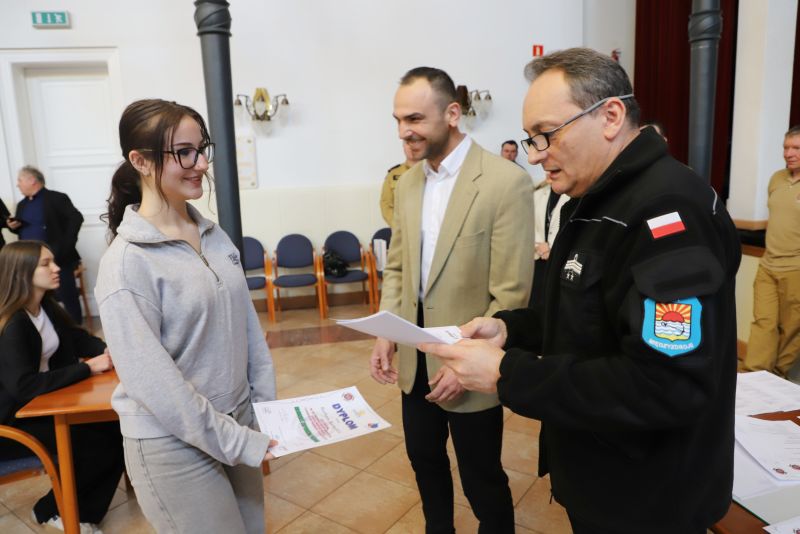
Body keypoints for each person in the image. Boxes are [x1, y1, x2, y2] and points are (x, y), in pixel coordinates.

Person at [421, 48, 741, 534]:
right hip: (600, 471)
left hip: (648, 497)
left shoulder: (668, 212)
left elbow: (666, 384)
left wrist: (507, 373)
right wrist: (509, 329)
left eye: (546, 134)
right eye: (530, 139)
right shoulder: (591, 200)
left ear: (609, 116)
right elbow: (583, 314)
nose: (534, 155)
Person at [94, 99, 277, 534]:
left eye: (202, 149)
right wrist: (235, 440)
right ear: (140, 161)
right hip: (173, 444)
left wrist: (265, 412)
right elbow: (155, 385)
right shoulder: (127, 264)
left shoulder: (213, 234)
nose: (202, 164)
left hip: (235, 419)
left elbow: (248, 330)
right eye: (184, 152)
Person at [371, 67, 534, 533]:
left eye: (415, 119)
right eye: (398, 120)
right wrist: (386, 331)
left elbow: (511, 292)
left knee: (482, 477)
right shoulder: (407, 183)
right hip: (415, 357)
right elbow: (398, 268)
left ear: (453, 113)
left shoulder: (505, 182)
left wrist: (467, 362)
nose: (404, 131)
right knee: (424, 461)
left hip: (473, 360)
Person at [0, 240, 122, 534]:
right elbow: (23, 386)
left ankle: (62, 508)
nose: (56, 268)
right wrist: (86, 368)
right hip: (14, 422)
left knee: (116, 429)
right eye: (46, 264)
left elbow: (76, 338)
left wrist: (106, 350)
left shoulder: (44, 306)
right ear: (21, 272)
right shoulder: (14, 324)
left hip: (42, 405)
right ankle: (57, 511)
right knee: (99, 442)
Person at [743, 125, 800, 376]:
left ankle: (777, 376)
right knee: (763, 322)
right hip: (768, 264)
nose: (789, 153)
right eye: (786, 147)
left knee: (792, 328)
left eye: (796, 148)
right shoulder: (777, 178)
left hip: (796, 268)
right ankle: (754, 374)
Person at [7, 167, 85, 324]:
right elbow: (25, 228)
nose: (17, 184)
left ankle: (77, 330)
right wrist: (13, 227)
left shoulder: (57, 198)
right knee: (37, 300)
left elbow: (76, 219)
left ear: (32, 180)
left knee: (68, 298)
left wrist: (66, 247)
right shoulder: (22, 204)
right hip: (30, 262)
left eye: (20, 180)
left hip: (58, 259)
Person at [529, 173, 570, 307]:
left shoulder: (572, 195)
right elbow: (528, 224)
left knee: (554, 301)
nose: (549, 173)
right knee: (536, 300)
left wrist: (552, 248)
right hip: (538, 257)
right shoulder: (537, 194)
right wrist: (539, 246)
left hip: (559, 257)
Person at [380, 140, 421, 226]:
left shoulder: (432, 171)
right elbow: (386, 204)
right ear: (403, 147)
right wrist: (398, 227)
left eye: (415, 142)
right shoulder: (393, 174)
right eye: (407, 143)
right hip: (401, 228)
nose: (411, 147)